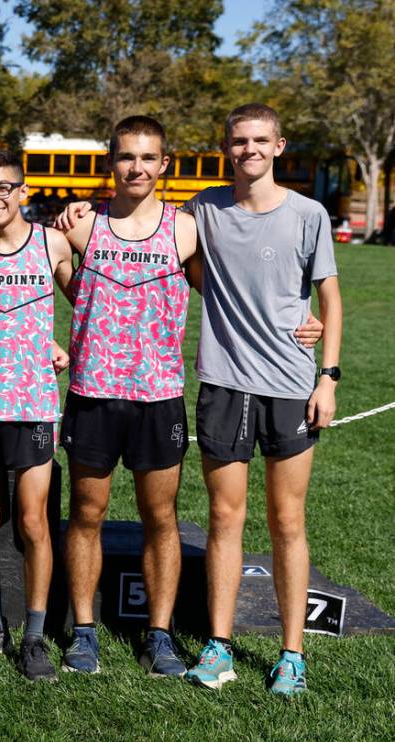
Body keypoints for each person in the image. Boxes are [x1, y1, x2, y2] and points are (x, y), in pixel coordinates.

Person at [181, 104, 342, 696]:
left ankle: (291, 655)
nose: (248, 148)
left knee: (287, 521)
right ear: (226, 146)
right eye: (238, 140)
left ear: (278, 146)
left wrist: (328, 377)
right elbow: (150, 232)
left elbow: (331, 296)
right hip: (224, 382)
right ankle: (219, 646)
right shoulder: (203, 207)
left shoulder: (309, 213)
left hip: (292, 386)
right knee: (224, 518)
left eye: (259, 140)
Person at [52, 116, 201, 677]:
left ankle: (158, 635)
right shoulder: (79, 229)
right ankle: (84, 632)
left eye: (147, 158)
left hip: (158, 395)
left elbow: (235, 290)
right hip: (93, 392)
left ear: (164, 165)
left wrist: (300, 317)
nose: (136, 167)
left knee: (159, 517)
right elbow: (46, 282)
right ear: (110, 163)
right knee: (86, 513)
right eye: (126, 157)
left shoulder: (186, 230)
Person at [0, 148, 72, 681]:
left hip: (32, 406)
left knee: (32, 522)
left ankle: (35, 636)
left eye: (3, 188)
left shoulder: (51, 243)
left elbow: (90, 300)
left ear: (22, 191)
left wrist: (65, 347)